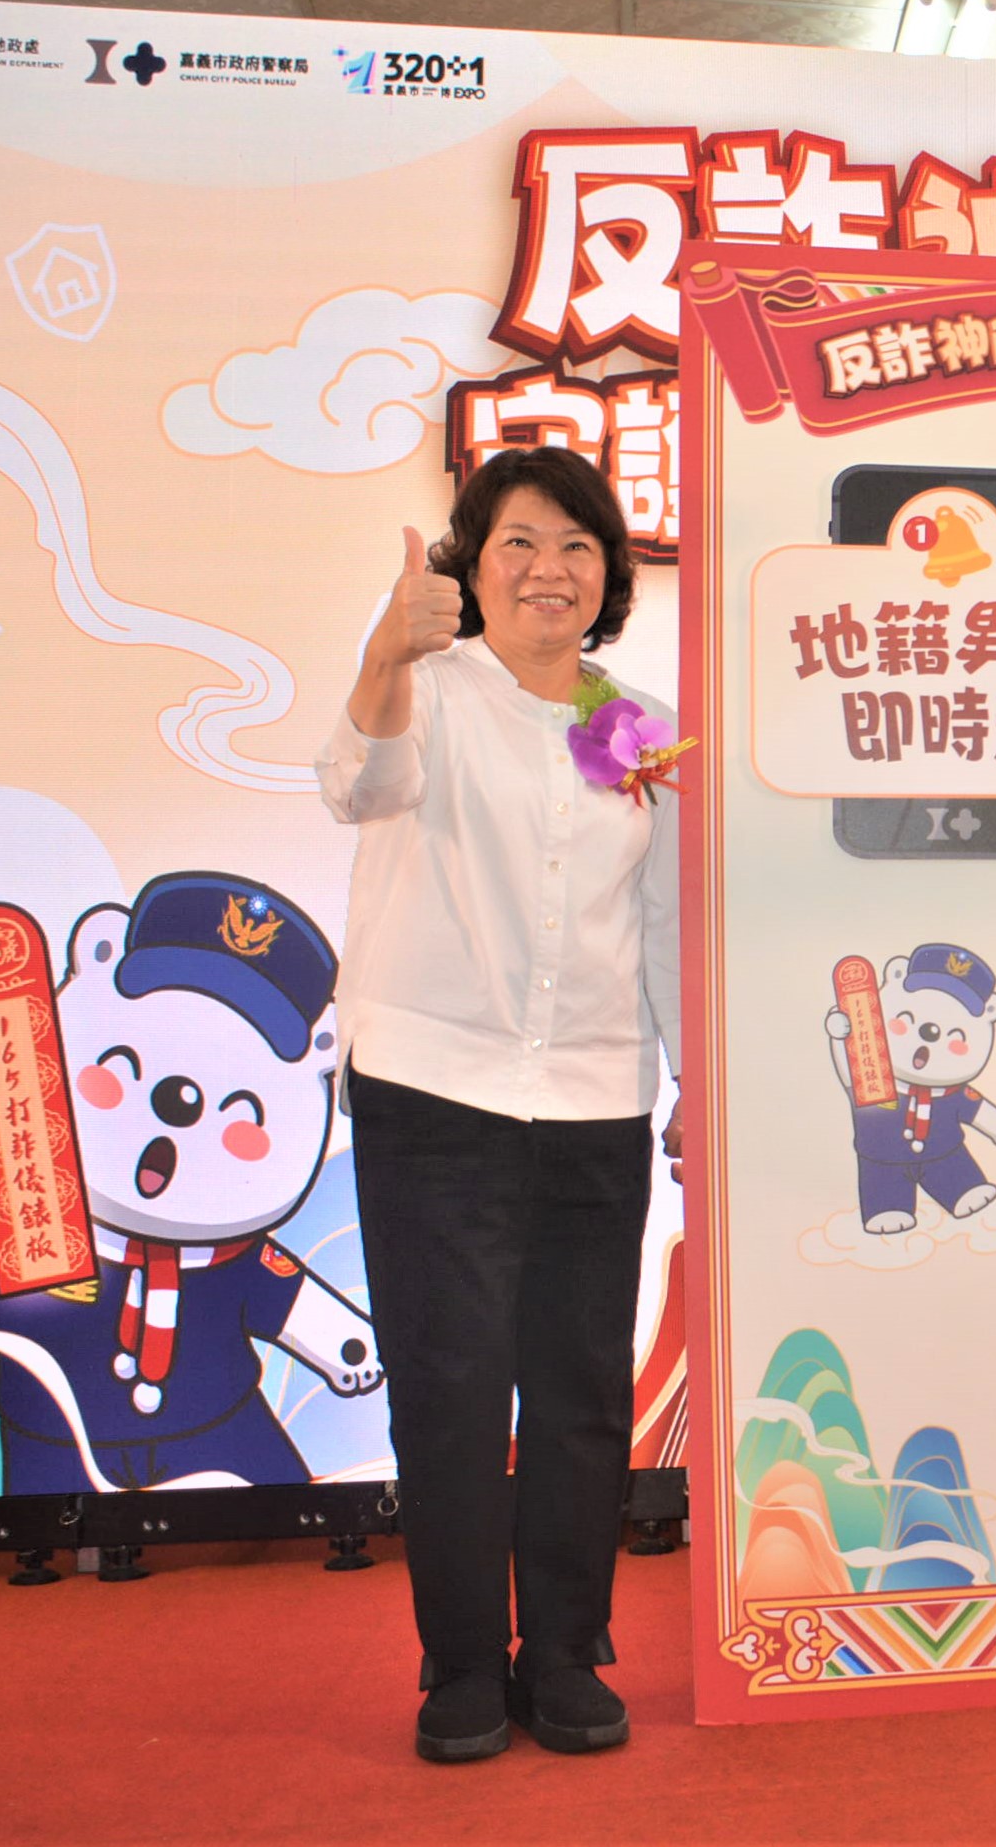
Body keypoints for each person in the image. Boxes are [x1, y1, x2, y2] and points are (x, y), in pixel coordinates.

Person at [317, 446, 683, 1763]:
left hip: (593, 1092)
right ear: (471, 566)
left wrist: (692, 1083)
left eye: (578, 546)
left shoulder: (640, 726)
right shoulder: (430, 687)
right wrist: (383, 655)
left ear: (609, 576)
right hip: (436, 1090)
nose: (549, 570)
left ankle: (567, 1656)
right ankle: (466, 1664)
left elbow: (664, 921)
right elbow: (356, 788)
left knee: (581, 1392)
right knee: (451, 1390)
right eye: (519, 543)